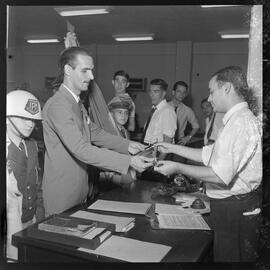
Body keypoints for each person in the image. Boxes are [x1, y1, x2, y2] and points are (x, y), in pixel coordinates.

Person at [154, 66, 262, 262]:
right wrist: (172, 149)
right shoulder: (235, 120)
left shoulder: (240, 122)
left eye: (212, 92)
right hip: (230, 207)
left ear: (227, 88)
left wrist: (177, 167)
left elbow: (219, 175)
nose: (209, 98)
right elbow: (209, 154)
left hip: (235, 209)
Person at [42, 47, 153, 216]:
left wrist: (128, 145)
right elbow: (81, 148)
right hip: (63, 193)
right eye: (85, 71)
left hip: (81, 190)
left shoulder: (77, 103)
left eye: (91, 70)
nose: (91, 77)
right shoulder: (58, 105)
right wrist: (128, 161)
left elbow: (94, 132)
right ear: (67, 70)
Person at [6, 90, 45, 260]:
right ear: (7, 118)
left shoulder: (32, 146)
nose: (30, 124)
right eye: (24, 118)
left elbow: (37, 185)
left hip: (30, 221)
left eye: (33, 120)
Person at [99, 94, 135, 187]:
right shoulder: (107, 132)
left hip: (125, 174)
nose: (123, 116)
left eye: (126, 113)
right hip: (111, 178)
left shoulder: (125, 132)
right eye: (119, 112)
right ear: (111, 114)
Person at [168, 81, 199, 145]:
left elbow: (196, 126)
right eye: (179, 91)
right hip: (165, 141)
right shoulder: (165, 107)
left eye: (184, 92)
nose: (181, 94)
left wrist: (188, 137)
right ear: (173, 92)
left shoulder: (187, 110)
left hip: (179, 142)